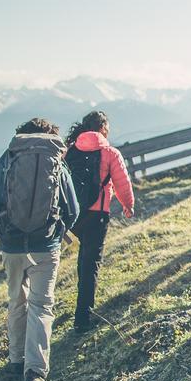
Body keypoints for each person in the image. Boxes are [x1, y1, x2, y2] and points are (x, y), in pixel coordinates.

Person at [0, 117, 79, 381]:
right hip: (46, 246)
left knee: (16, 302)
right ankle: (35, 374)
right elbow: (74, 209)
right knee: (41, 306)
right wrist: (59, 233)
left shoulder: (3, 163)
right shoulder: (56, 162)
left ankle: (15, 360)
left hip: (11, 247)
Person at [64, 110, 135, 333]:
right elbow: (122, 182)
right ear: (103, 128)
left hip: (74, 215)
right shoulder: (110, 153)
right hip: (97, 215)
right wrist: (128, 205)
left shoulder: (69, 151)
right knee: (91, 263)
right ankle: (83, 318)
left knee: (84, 257)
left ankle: (81, 307)